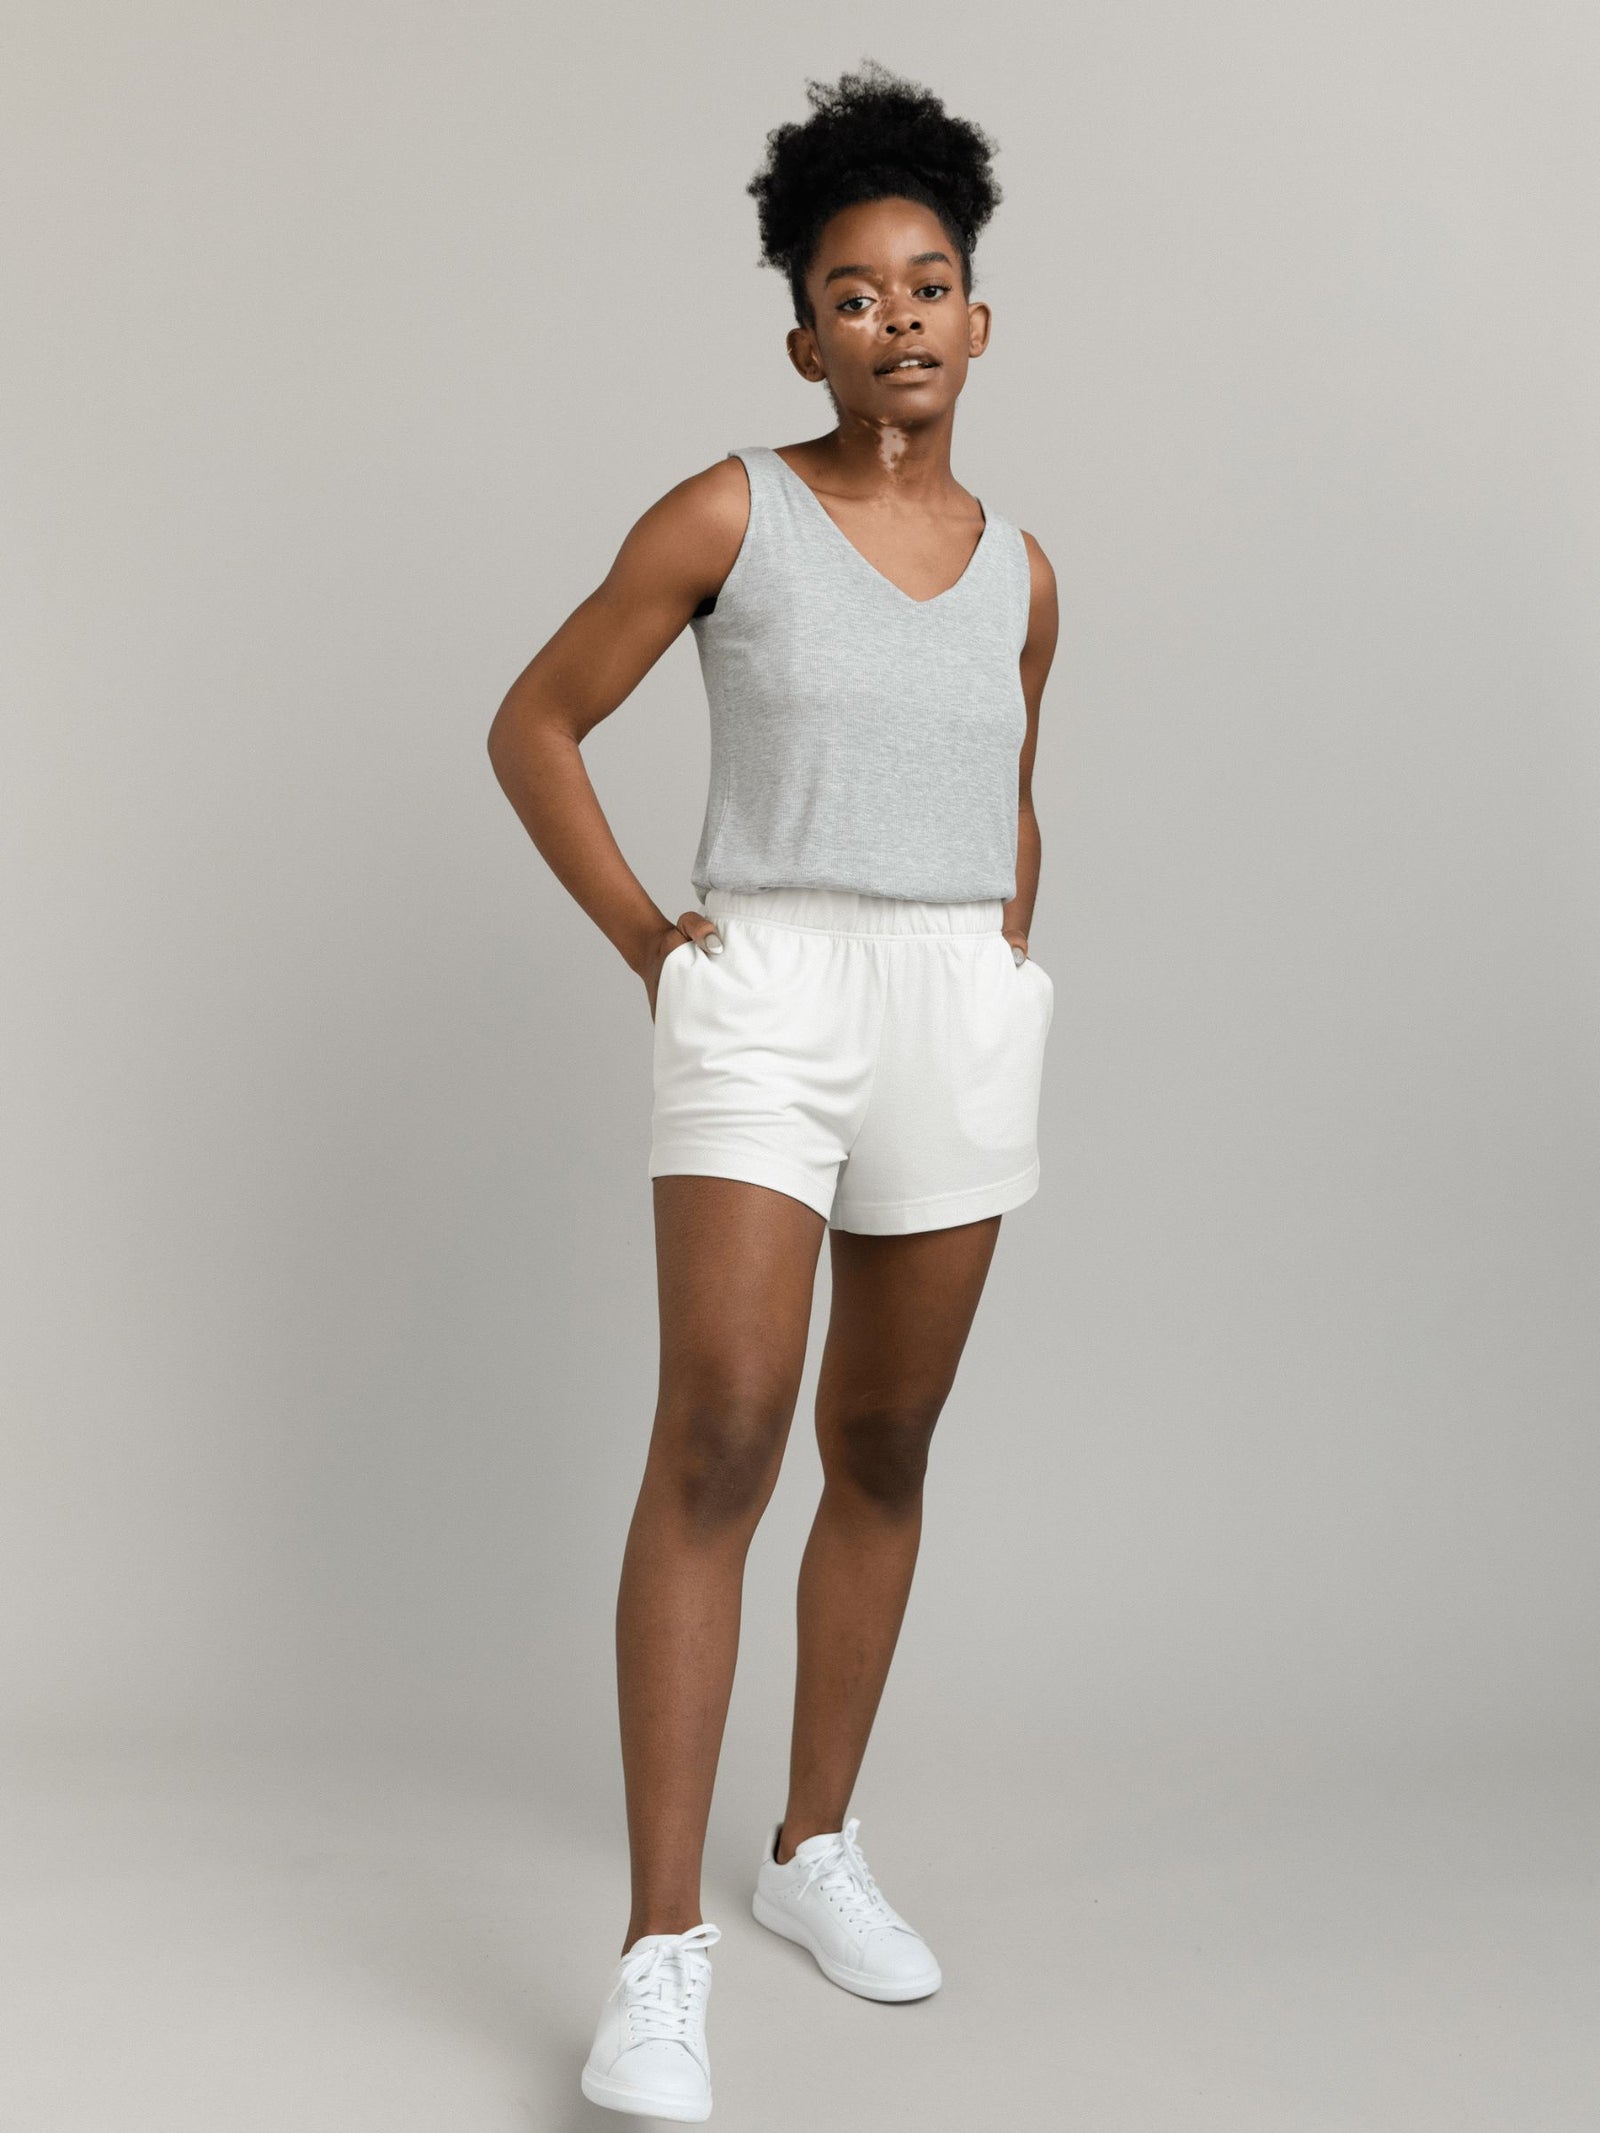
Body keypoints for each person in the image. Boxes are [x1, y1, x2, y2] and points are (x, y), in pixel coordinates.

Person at [487, 58, 1060, 2124]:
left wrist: (993, 954)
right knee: (721, 1431)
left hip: (949, 992)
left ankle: (814, 1844)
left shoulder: (1022, 569)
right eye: (849, 288)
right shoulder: (727, 505)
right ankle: (658, 1958)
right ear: (799, 330)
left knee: (883, 1436)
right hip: (765, 974)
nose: (891, 316)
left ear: (975, 320)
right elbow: (536, 720)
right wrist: (654, 938)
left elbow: (1001, 794)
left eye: (927, 282)